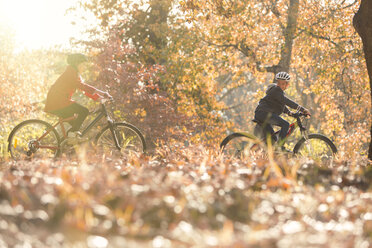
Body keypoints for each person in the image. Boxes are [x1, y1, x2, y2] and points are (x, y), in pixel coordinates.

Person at [44, 53, 110, 138]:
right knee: (84, 111)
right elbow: (83, 86)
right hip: (58, 102)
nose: (85, 67)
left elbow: (84, 90)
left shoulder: (74, 73)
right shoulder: (70, 73)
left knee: (76, 124)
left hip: (59, 102)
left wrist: (98, 98)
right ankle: (71, 136)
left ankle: (66, 141)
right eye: (83, 64)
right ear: (77, 64)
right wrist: (102, 93)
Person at [254, 71, 311, 150]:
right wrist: (302, 109)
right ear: (277, 83)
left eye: (283, 84)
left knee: (273, 139)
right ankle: (280, 147)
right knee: (285, 124)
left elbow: (281, 105)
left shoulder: (278, 93)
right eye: (279, 83)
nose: (281, 85)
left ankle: (264, 153)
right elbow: (286, 101)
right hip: (263, 113)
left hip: (262, 114)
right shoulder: (276, 90)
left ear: (287, 84)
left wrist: (289, 113)